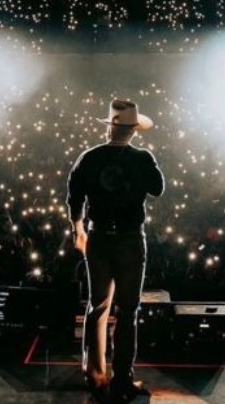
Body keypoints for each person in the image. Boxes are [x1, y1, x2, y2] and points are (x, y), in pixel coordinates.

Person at [66, 99, 164, 402]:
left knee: (97, 307)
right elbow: (158, 188)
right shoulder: (142, 157)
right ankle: (123, 379)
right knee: (128, 310)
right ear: (133, 130)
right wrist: (145, 163)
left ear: (110, 126)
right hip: (130, 241)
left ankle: (95, 376)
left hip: (97, 239)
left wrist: (77, 228)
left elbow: (74, 194)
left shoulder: (89, 157)